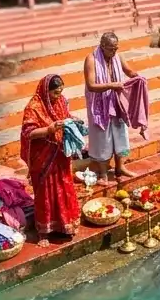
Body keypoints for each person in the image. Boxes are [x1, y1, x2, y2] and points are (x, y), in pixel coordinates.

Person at [19, 74, 81, 246]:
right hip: (43, 158)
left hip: (60, 154)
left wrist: (74, 120)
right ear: (46, 91)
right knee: (45, 193)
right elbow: (28, 133)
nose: (58, 95)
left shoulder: (61, 100)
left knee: (63, 188)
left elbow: (65, 115)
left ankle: (64, 225)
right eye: (55, 93)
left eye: (60, 91)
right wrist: (48, 130)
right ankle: (44, 232)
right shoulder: (34, 107)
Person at [84, 31, 149, 179]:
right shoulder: (91, 59)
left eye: (116, 48)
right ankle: (103, 173)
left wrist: (137, 77)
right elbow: (91, 85)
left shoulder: (117, 56)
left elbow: (128, 70)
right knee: (102, 137)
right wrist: (112, 85)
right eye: (111, 49)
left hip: (116, 103)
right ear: (102, 46)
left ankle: (120, 167)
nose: (114, 51)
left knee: (120, 135)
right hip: (99, 105)